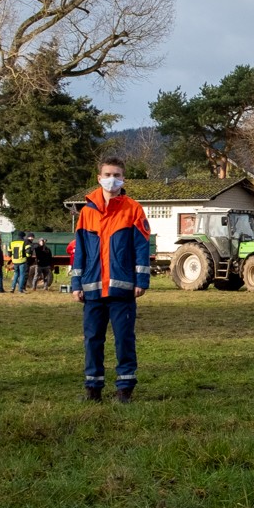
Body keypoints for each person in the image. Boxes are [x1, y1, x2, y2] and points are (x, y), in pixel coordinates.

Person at [69, 158, 151, 402]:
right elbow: (80, 251)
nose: (112, 178)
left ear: (123, 178)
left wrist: (141, 281)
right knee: (93, 340)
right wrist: (76, 284)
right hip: (92, 290)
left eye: (117, 174)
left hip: (123, 289)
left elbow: (141, 248)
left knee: (124, 339)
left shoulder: (133, 209)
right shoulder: (86, 212)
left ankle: (125, 389)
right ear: (99, 178)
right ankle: (92, 389)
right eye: (107, 174)